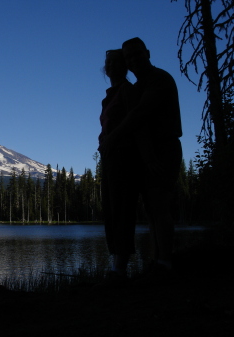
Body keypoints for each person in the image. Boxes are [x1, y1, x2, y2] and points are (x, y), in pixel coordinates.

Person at [101, 37, 183, 278]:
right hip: (148, 152)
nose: (134, 60)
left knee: (159, 206)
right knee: (152, 209)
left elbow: (138, 116)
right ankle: (157, 263)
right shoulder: (137, 86)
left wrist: (112, 139)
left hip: (163, 149)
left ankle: (164, 263)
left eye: (137, 54)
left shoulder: (158, 79)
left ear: (147, 53)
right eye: (129, 57)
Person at [98, 49, 142, 283]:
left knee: (123, 209)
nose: (112, 67)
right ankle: (117, 267)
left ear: (124, 66)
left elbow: (134, 123)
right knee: (112, 210)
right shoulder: (110, 95)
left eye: (117, 63)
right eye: (109, 63)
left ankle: (120, 269)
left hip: (125, 159)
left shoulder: (127, 91)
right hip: (110, 159)